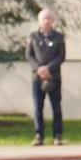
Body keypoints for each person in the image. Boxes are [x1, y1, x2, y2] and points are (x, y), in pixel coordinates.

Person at [26, 8, 66, 146]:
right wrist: (39, 69)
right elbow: (29, 55)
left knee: (56, 108)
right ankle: (38, 136)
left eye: (49, 18)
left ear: (52, 20)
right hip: (37, 78)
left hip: (53, 77)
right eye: (44, 18)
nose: (46, 20)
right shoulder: (33, 37)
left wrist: (48, 68)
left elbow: (61, 56)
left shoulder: (59, 37)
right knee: (38, 108)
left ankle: (57, 136)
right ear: (39, 20)